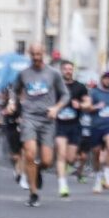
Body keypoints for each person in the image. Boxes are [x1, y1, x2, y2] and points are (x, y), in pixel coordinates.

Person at [12, 43, 69, 206]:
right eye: (33, 55)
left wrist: (56, 108)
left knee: (47, 161)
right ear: (29, 54)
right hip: (29, 117)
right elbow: (14, 91)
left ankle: (36, 172)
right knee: (30, 154)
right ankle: (33, 193)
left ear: (44, 53)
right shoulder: (23, 74)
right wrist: (12, 103)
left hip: (47, 119)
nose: (36, 58)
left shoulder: (53, 73)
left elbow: (65, 95)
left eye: (39, 54)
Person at [54, 61, 90, 199]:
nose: (68, 71)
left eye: (70, 69)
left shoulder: (79, 87)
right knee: (61, 154)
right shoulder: (56, 86)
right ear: (61, 70)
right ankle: (63, 185)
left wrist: (80, 105)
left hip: (74, 125)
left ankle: (66, 169)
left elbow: (88, 103)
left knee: (70, 158)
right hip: (59, 125)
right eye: (65, 69)